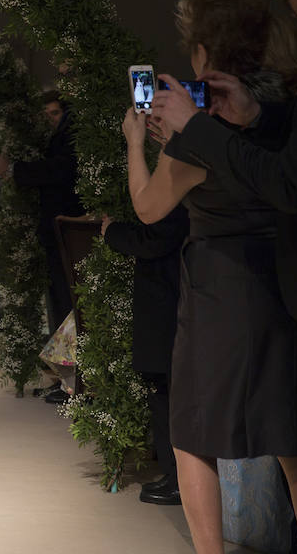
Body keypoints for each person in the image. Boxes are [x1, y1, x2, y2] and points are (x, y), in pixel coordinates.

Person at [124, 0, 297, 552]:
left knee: (193, 437)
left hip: (218, 290)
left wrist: (137, 142)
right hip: (282, 283)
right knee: (292, 440)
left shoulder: (200, 134)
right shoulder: (282, 114)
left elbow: (150, 209)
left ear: (203, 51)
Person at [153, 0, 297, 330]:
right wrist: (256, 115)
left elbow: (148, 207)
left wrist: (181, 130)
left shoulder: (203, 123)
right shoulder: (279, 94)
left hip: (229, 287)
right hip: (263, 285)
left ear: (201, 51)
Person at [0, 91, 85, 334]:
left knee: (68, 297)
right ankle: (61, 356)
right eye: (44, 115)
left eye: (54, 113)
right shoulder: (38, 143)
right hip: (44, 227)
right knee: (55, 296)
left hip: (67, 222)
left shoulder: (69, 137)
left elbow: (61, 169)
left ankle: (70, 359)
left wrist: (11, 169)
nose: (49, 120)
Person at [102, 203, 189, 506]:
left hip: (172, 301)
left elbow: (155, 239)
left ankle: (180, 479)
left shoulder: (178, 191)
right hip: (170, 300)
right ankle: (175, 475)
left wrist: (112, 231)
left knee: (169, 394)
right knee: (164, 391)